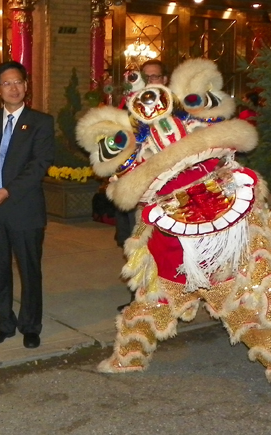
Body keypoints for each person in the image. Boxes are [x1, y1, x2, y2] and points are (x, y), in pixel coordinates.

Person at [0, 61, 54, 350]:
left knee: (30, 270)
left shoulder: (41, 122)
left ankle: (31, 325)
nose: (13, 88)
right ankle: (4, 322)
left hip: (24, 209)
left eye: (18, 82)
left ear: (26, 85)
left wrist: (8, 191)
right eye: (7, 83)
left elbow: (38, 165)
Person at [115, 59, 169, 312]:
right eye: (145, 77)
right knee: (134, 241)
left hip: (165, 190)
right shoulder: (127, 109)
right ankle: (138, 298)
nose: (150, 83)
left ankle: (163, 297)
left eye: (155, 77)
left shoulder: (174, 110)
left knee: (162, 245)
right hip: (133, 187)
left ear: (165, 81)